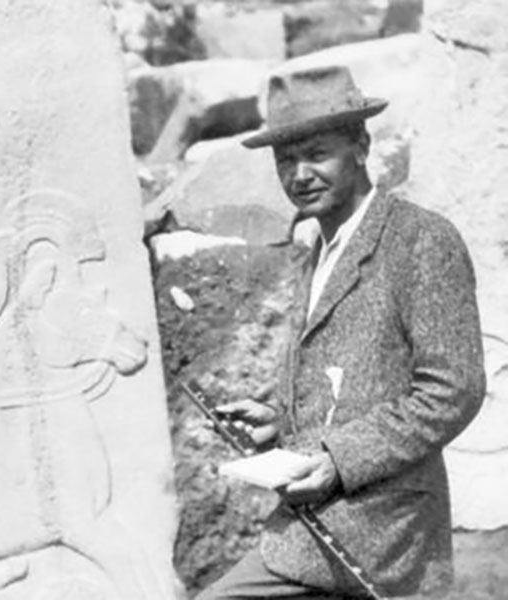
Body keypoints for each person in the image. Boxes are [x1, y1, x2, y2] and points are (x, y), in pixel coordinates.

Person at [198, 65, 484, 599]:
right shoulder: (319, 251)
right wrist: (278, 420)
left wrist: (338, 462)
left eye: (316, 154)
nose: (299, 174)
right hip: (307, 531)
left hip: (384, 539)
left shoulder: (420, 240)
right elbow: (352, 385)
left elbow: (453, 390)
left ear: (361, 146)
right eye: (286, 160)